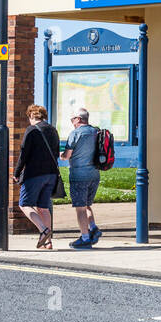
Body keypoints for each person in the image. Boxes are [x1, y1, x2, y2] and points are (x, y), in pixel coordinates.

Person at [13, 104, 60, 250]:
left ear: (31, 115)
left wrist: (17, 172)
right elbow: (57, 152)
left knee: (25, 204)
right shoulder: (53, 130)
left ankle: (43, 230)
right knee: (44, 208)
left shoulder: (31, 130)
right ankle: (48, 242)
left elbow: (24, 153)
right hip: (51, 174)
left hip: (34, 174)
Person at [60, 107, 101, 249]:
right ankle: (93, 228)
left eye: (72, 119)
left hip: (79, 176)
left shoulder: (75, 133)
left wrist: (61, 155)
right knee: (87, 204)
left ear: (78, 119)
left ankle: (84, 238)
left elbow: (67, 155)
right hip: (94, 175)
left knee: (80, 208)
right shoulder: (96, 132)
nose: (72, 122)